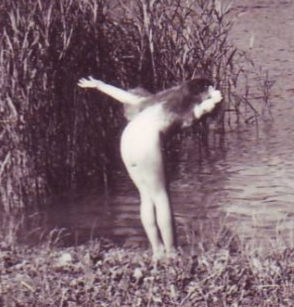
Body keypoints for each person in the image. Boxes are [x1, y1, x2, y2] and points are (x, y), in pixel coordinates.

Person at [77, 76, 223, 260]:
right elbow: (208, 107)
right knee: (161, 197)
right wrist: (216, 97)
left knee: (146, 196)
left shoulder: (157, 102)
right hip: (146, 141)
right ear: (200, 95)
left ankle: (157, 250)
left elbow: (126, 98)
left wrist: (100, 85)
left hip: (128, 139)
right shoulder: (189, 109)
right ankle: (172, 252)